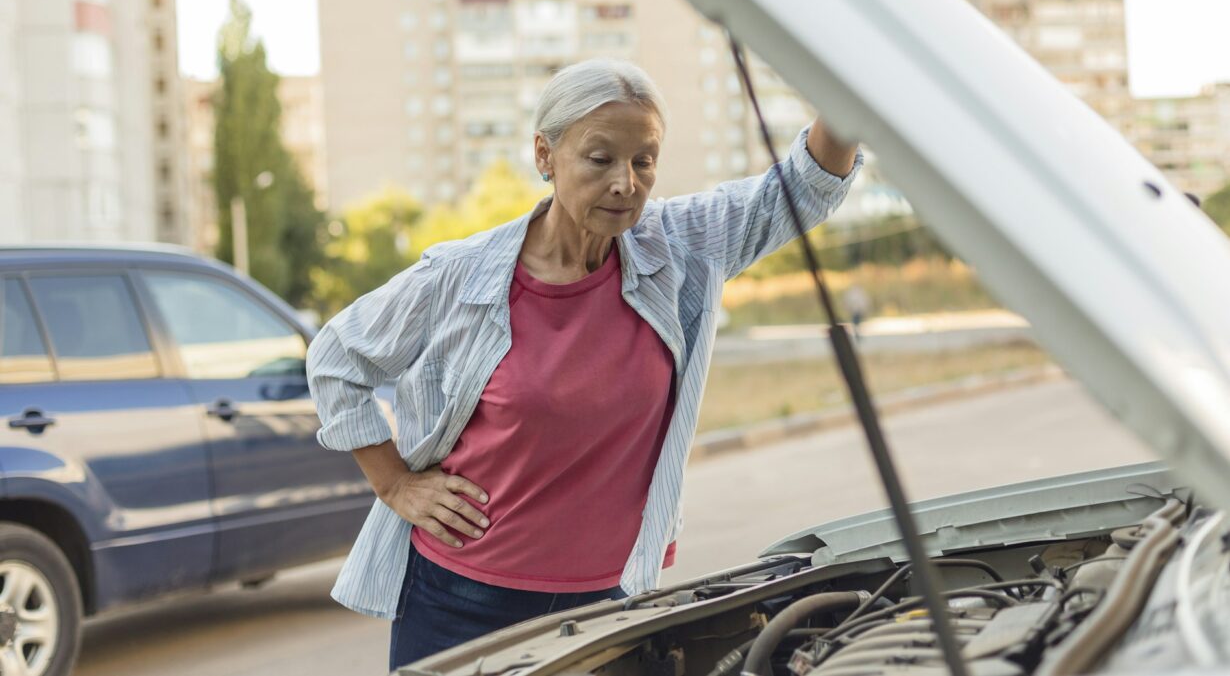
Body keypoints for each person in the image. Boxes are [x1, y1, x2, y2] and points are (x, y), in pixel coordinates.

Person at [306, 58, 862, 668]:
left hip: (610, 603)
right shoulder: (461, 277)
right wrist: (395, 483)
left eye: (643, 160)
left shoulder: (677, 247)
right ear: (545, 155)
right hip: (461, 601)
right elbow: (337, 360)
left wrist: (850, 84)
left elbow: (802, 188)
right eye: (600, 160)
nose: (626, 183)